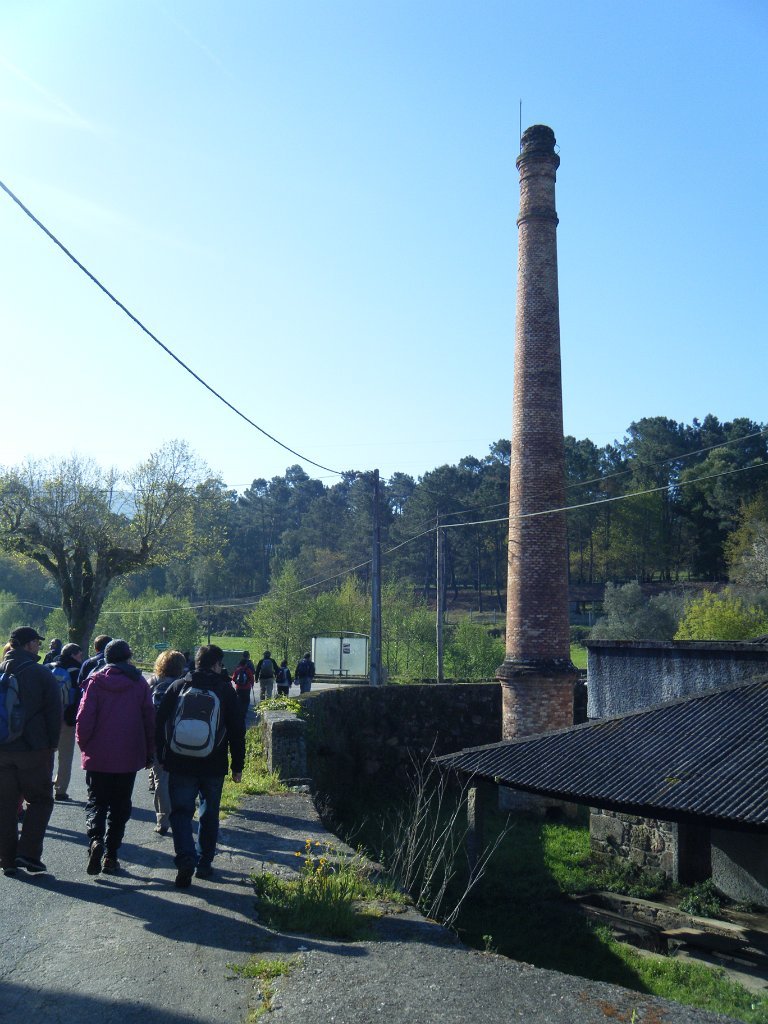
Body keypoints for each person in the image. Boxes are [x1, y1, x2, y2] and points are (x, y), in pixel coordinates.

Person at [155, 644, 245, 888]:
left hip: (180, 762)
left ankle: (185, 858)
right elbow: (237, 730)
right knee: (209, 813)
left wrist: (162, 755)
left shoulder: (178, 686)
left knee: (181, 813)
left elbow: (160, 722)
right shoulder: (225, 690)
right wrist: (238, 765)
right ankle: (204, 863)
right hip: (213, 764)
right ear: (216, 664)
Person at [75, 638, 155, 876]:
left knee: (96, 802)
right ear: (128, 658)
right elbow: (149, 719)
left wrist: (84, 746)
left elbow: (83, 718)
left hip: (98, 755)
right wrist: (149, 751)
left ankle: (95, 840)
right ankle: (111, 855)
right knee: (120, 806)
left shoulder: (95, 681)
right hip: (128, 755)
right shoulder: (139, 683)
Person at [0, 627, 62, 876]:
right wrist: (53, 744)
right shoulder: (41, 673)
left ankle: (7, 859)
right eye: (36, 642)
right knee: (40, 800)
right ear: (27, 645)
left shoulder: (0, 670)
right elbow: (54, 712)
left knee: (5, 805)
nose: (39, 646)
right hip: (33, 749)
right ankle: (28, 852)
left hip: (2, 749)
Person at [146, 649, 187, 836]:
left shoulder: (152, 683)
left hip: (158, 737)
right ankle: (181, 815)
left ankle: (163, 819)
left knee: (160, 779)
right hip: (181, 737)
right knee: (181, 778)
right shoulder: (184, 685)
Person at [51, 642, 84, 801]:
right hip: (67, 719)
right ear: (73, 655)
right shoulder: (77, 672)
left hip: (49, 718)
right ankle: (60, 790)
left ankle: (43, 784)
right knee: (65, 757)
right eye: (79, 654)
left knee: (47, 753)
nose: (81, 657)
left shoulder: (51, 667)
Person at [231, 653, 255, 720]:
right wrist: (252, 684)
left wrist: (236, 682)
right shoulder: (248, 670)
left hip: (238, 688)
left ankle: (239, 712)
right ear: (245, 664)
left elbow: (233, 678)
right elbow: (251, 678)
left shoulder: (237, 670)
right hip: (247, 688)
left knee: (239, 700)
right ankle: (244, 712)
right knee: (246, 701)